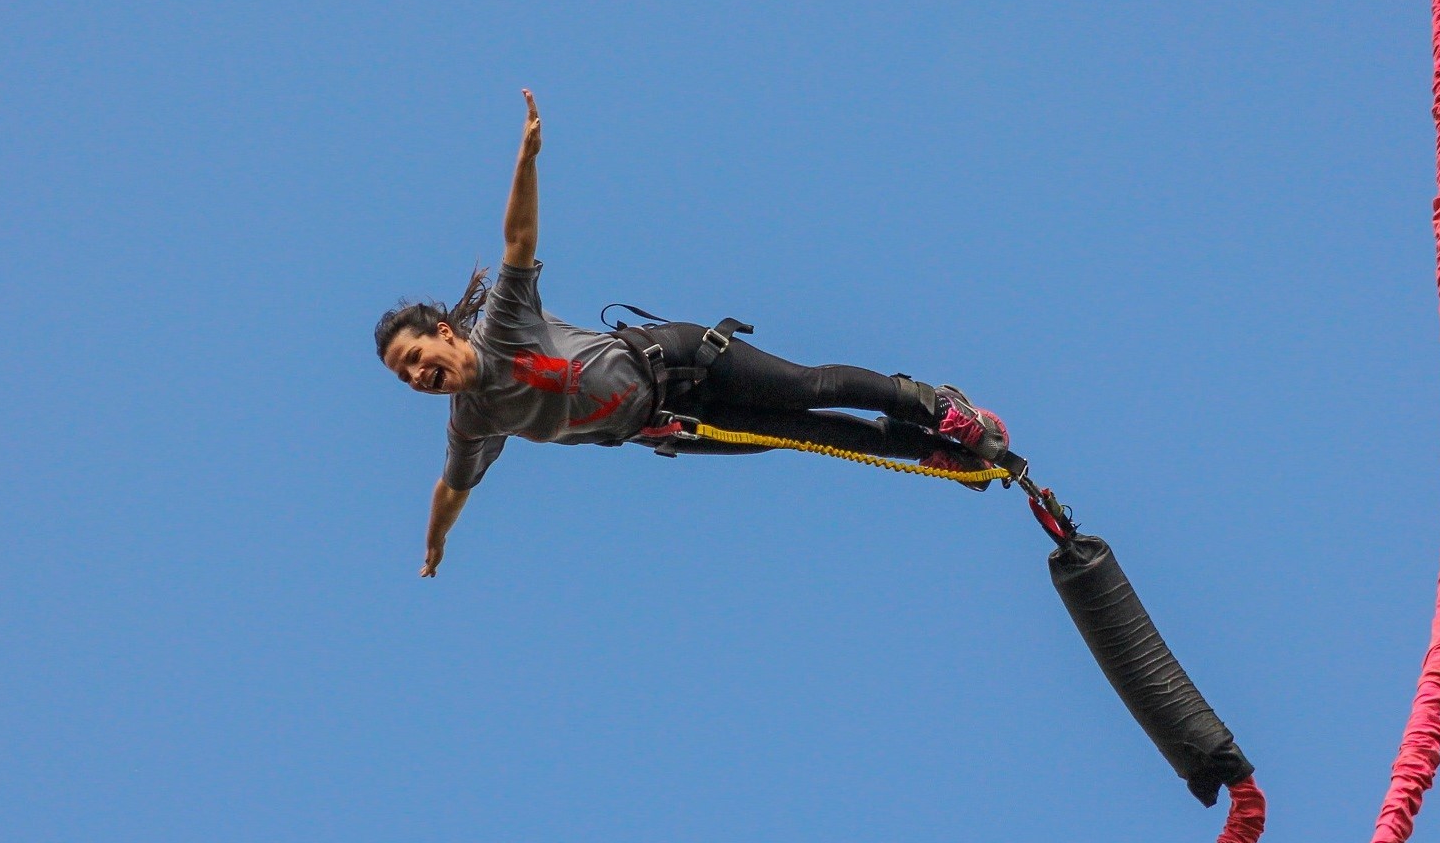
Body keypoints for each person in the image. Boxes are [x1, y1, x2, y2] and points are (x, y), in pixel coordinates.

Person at [376, 90, 1010, 577]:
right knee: (807, 434)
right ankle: (934, 452)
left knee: (804, 387)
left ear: (443, 332)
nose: (416, 376)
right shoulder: (474, 420)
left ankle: (933, 405)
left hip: (680, 361)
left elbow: (518, 238)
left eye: (414, 357)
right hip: (673, 422)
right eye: (406, 377)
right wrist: (435, 543)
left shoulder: (503, 326)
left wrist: (527, 160)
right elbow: (452, 487)